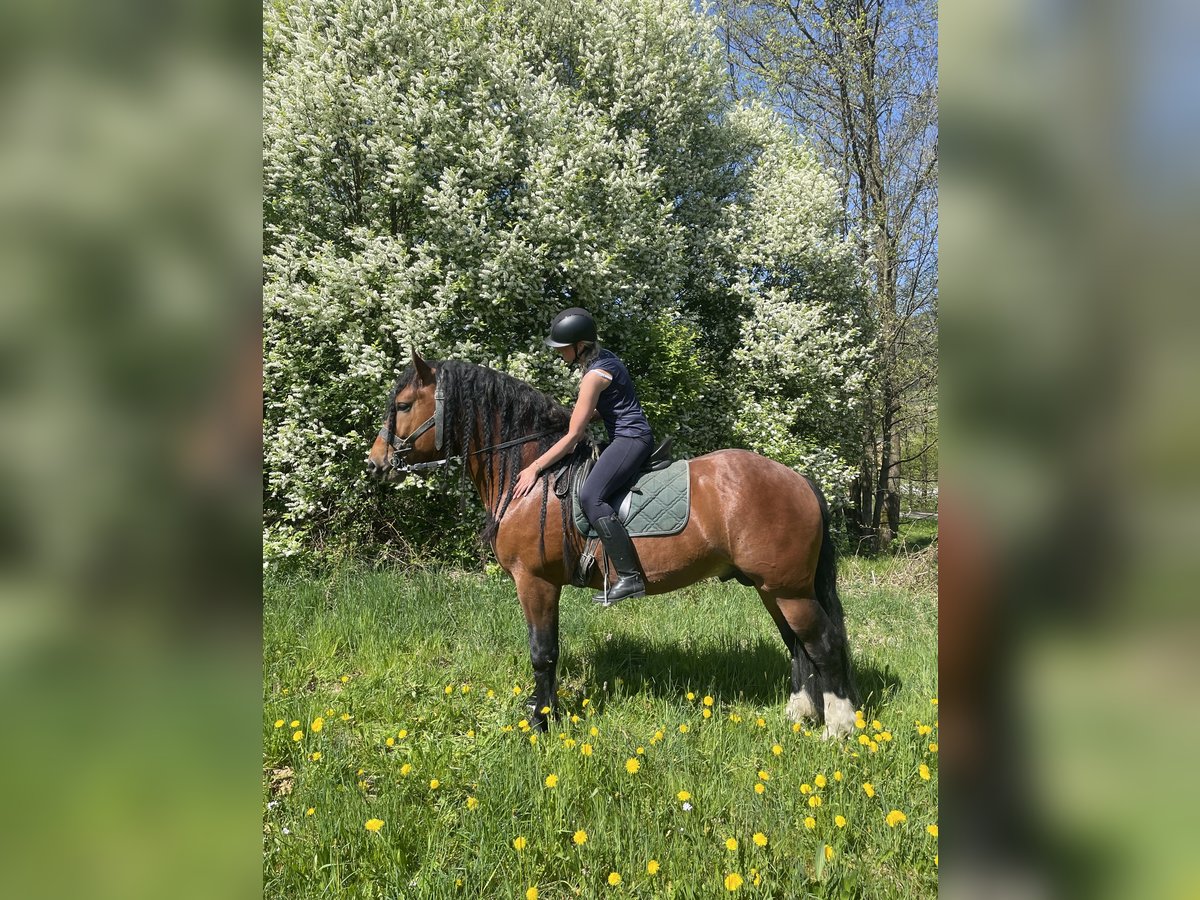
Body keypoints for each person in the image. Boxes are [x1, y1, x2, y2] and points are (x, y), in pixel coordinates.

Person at [513, 307, 654, 605]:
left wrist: (534, 468)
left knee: (591, 495)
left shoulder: (593, 376)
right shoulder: (608, 359)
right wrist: (570, 417)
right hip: (631, 434)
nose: (560, 352)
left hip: (630, 439)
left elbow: (574, 438)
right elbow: (610, 408)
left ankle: (629, 578)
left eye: (563, 347)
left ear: (579, 346)